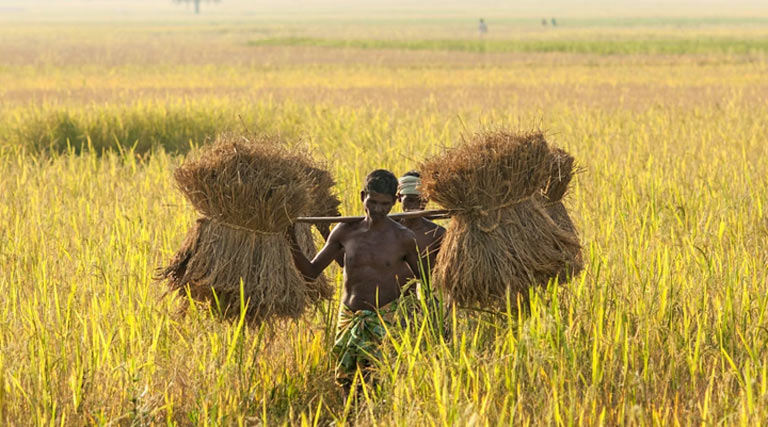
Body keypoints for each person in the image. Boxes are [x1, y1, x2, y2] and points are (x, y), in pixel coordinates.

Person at [287, 169, 424, 395]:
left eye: (385, 204)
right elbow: (311, 272)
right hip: (349, 319)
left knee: (378, 382)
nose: (378, 210)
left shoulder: (403, 238)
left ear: (393, 203)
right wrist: (289, 237)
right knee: (346, 383)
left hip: (385, 321)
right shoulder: (345, 232)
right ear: (363, 196)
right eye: (373, 202)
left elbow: (425, 280)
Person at [396, 171, 446, 279]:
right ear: (399, 197)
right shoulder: (388, 230)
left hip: (426, 293)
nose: (414, 206)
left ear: (426, 200)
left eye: (420, 201)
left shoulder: (437, 234)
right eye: (409, 200)